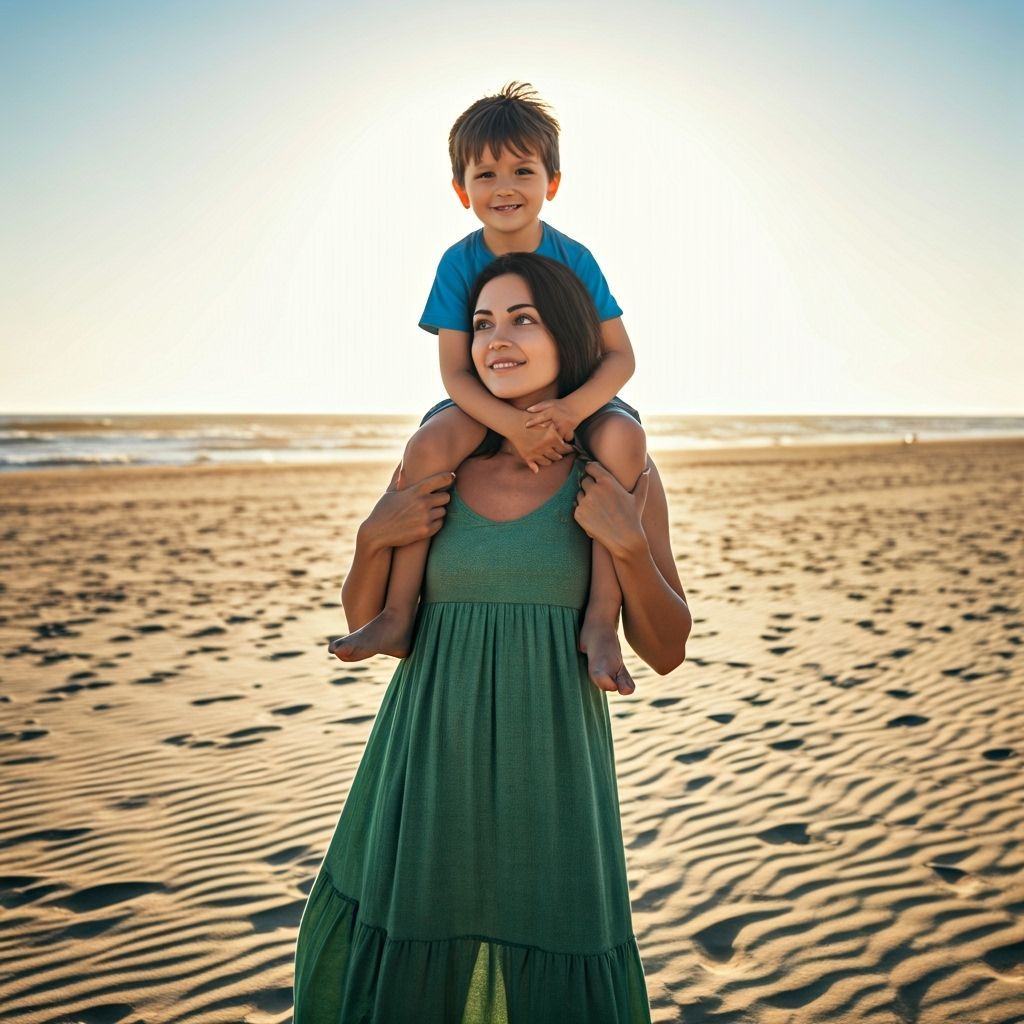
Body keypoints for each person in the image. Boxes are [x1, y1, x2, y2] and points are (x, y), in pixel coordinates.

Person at [292, 254, 690, 1023]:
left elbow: (667, 650)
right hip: (422, 763)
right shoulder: (441, 453)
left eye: (522, 319)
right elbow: (366, 618)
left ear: (568, 337)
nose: (495, 340)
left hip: (554, 780)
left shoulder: (612, 463)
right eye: (481, 324)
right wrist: (373, 537)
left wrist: (631, 548)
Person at [331, 83, 648, 700]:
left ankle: (602, 623)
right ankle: (398, 610)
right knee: (427, 445)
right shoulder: (457, 262)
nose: (505, 186)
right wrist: (510, 425)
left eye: (523, 170)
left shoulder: (575, 258)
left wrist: (568, 412)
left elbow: (621, 356)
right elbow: (454, 374)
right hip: (485, 404)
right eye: (486, 173)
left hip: (573, 399)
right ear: (462, 190)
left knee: (622, 440)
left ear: (553, 182)